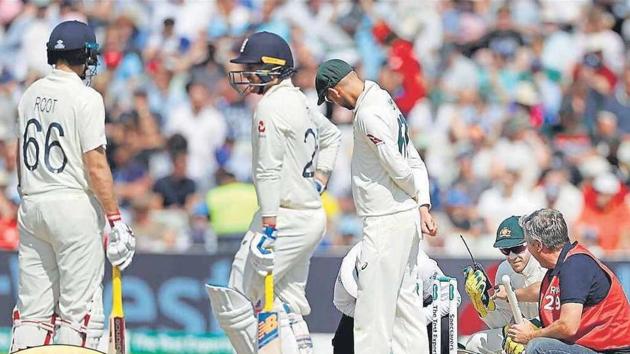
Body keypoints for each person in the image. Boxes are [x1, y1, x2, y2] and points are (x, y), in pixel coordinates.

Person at [206, 32, 341, 354]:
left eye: (252, 66)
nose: (246, 74)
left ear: (273, 68)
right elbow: (333, 136)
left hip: (283, 217)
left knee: (238, 297)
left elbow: (267, 171)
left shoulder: (268, 107)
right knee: (287, 300)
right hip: (308, 215)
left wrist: (268, 225)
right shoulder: (300, 100)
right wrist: (320, 181)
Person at [10, 21, 135, 351]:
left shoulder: (29, 94)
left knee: (33, 315)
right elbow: (95, 164)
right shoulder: (87, 97)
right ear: (85, 56)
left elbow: (20, 156)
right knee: (79, 314)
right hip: (72, 206)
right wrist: (115, 220)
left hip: (32, 203)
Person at [315, 58, 437, 353]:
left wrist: (414, 196)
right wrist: (422, 203)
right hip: (402, 219)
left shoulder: (367, 114)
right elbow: (412, 159)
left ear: (333, 93)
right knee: (406, 312)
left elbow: (398, 166)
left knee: (372, 315)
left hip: (386, 222)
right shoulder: (383, 99)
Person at [507, 209, 630, 353]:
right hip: (595, 348)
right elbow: (544, 290)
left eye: (527, 243)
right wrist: (510, 294)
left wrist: (530, 335)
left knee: (538, 347)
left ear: (538, 245)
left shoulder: (575, 266)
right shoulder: (566, 261)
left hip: (611, 351)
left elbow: (568, 326)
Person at [331, 243, 461, 354]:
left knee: (443, 329)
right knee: (343, 339)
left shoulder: (421, 266)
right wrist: (371, 319)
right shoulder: (348, 271)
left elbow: (453, 297)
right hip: (370, 310)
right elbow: (342, 303)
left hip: (420, 308)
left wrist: (418, 318)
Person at [463, 216, 545, 354]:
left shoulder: (545, 266)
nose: (512, 257)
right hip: (520, 333)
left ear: (531, 243)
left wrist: (531, 331)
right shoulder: (504, 270)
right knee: (474, 343)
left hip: (548, 334)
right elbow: (502, 323)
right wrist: (483, 305)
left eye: (518, 248)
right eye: (505, 250)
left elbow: (558, 317)